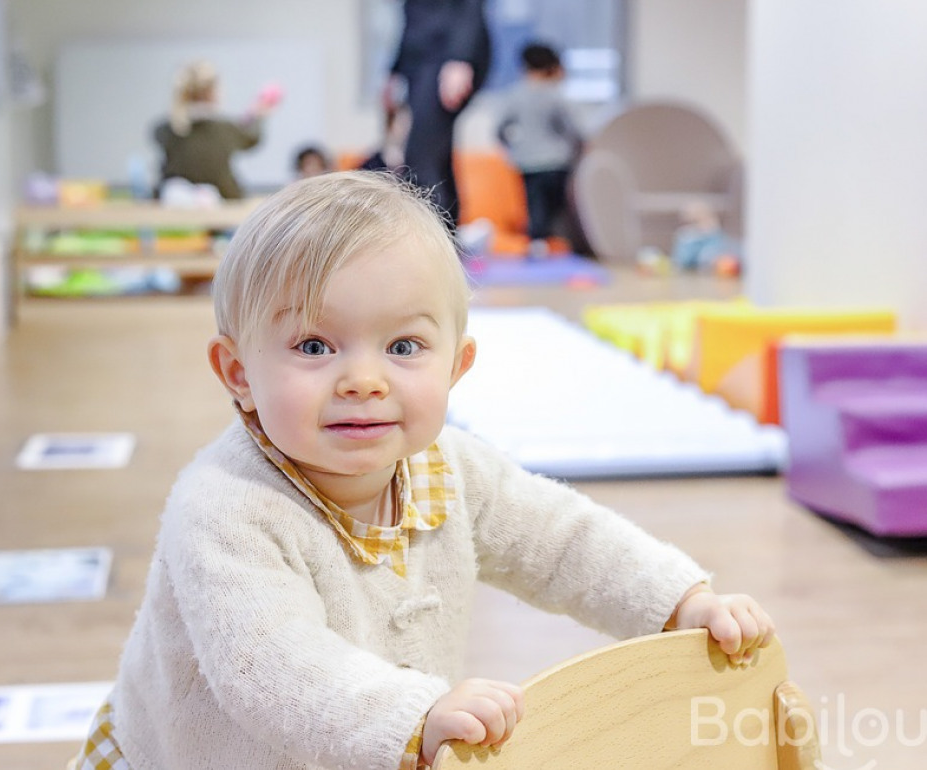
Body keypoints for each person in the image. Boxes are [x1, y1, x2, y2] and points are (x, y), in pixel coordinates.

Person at [71, 171, 775, 770]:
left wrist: (677, 602)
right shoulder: (224, 508)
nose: (364, 380)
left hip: (370, 740)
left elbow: (565, 541)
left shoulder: (451, 468)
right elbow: (273, 670)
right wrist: (416, 713)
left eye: (404, 346)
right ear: (238, 373)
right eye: (314, 346)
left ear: (456, 366)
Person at [388, 0, 491, 228]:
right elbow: (414, 21)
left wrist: (460, 57)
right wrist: (395, 71)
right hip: (422, 61)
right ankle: (449, 236)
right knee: (435, 155)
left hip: (445, 55)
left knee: (421, 156)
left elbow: (469, 6)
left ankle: (430, 236)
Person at [496, 43, 584, 256]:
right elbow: (575, 130)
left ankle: (538, 245)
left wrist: (513, 148)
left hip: (528, 162)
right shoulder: (556, 94)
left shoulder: (516, 94)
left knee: (535, 207)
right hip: (557, 161)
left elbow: (499, 129)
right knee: (560, 208)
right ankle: (563, 245)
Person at [152, 60, 277, 200]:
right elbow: (252, 138)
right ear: (213, 92)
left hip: (170, 198)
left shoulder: (164, 129)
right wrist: (258, 116)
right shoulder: (226, 129)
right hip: (224, 195)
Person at [359, 103, 413, 177]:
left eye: (407, 124)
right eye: (401, 124)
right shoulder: (372, 164)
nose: (405, 130)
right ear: (389, 124)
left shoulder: (412, 163)